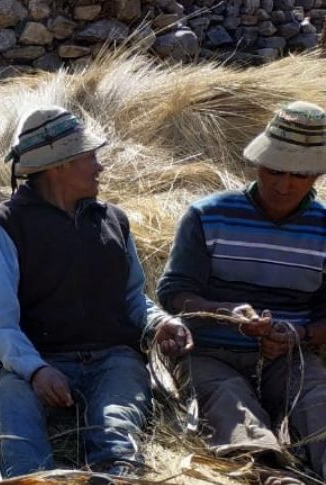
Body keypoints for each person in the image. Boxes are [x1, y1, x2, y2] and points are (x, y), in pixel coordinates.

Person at [0, 106, 193, 478]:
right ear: (59, 165)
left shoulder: (112, 220)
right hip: (37, 359)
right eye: (90, 157)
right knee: (22, 443)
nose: (100, 166)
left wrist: (159, 323)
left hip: (113, 358)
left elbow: (131, 297)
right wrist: (36, 370)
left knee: (115, 437)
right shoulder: (7, 225)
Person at [158, 101, 326, 480]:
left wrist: (297, 335)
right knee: (230, 406)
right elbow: (174, 290)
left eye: (298, 175)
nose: (283, 185)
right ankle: (272, 475)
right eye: (274, 170)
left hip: (290, 357)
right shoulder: (207, 214)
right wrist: (223, 312)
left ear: (316, 174)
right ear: (257, 164)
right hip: (210, 353)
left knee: (317, 405)